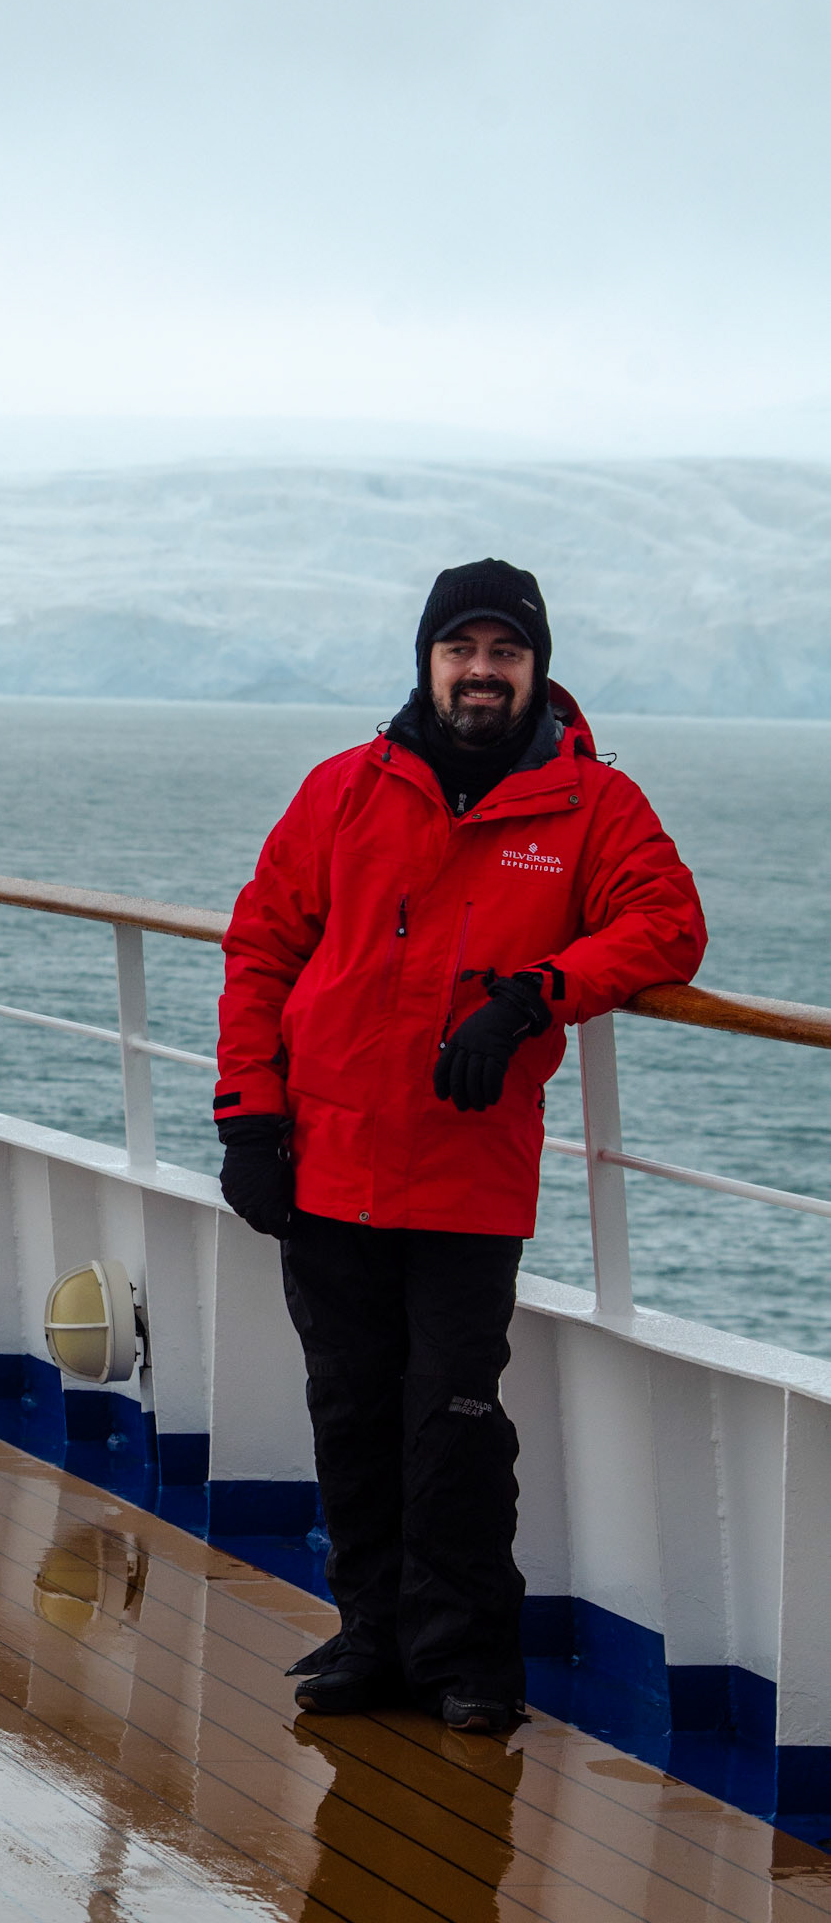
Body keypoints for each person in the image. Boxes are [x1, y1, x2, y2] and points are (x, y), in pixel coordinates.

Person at [214, 558, 706, 1732]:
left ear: (536, 668)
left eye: (505, 653)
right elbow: (263, 947)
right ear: (427, 660)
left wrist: (539, 992)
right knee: (351, 1410)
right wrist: (247, 1113)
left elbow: (668, 924)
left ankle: (468, 1657)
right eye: (461, 650)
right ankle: (371, 1635)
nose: (481, 673)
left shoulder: (593, 806)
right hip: (326, 1159)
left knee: (454, 1419)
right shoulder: (343, 788)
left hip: (468, 1174)